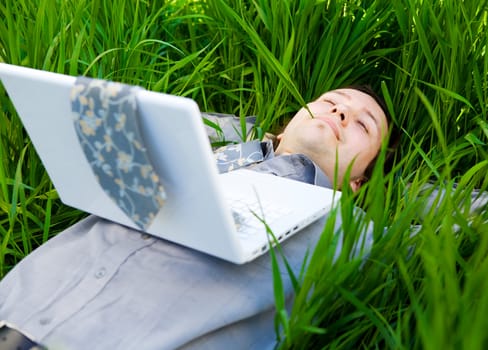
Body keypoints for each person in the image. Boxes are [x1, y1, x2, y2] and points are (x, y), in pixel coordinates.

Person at [0, 86, 395, 350]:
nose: (342, 111)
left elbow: (448, 215)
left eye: (363, 124)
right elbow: (159, 111)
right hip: (19, 304)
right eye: (331, 102)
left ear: (359, 181)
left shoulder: (350, 228)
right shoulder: (196, 146)